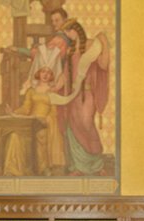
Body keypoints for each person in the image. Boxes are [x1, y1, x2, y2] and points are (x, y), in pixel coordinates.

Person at [56, 19, 110, 175]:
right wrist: (52, 87)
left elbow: (103, 65)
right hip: (73, 95)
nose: (67, 36)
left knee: (87, 124)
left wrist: (104, 43)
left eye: (68, 32)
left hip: (87, 93)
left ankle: (97, 164)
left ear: (76, 30)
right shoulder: (70, 51)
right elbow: (65, 75)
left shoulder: (92, 45)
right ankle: (80, 166)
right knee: (73, 126)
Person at [2, 66, 66, 176]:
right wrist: (14, 113)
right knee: (15, 136)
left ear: (51, 76)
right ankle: (14, 168)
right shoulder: (31, 91)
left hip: (45, 122)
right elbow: (26, 108)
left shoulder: (52, 92)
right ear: (38, 74)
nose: (45, 75)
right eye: (43, 71)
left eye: (49, 73)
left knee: (41, 135)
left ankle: (43, 168)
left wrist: (46, 119)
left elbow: (53, 111)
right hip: (31, 121)